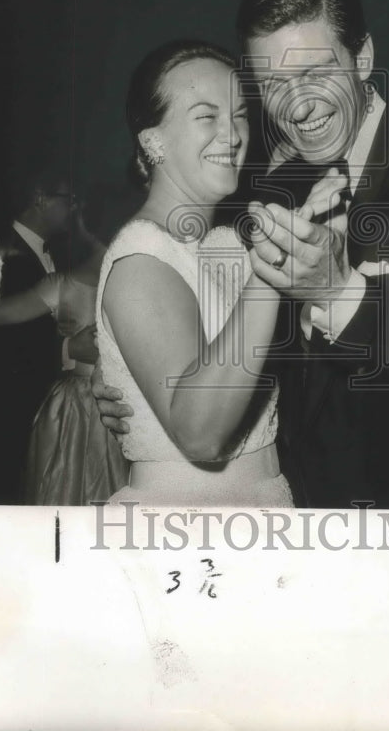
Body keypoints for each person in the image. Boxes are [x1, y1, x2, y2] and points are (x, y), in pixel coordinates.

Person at [95, 0, 389, 509]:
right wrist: (121, 380)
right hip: (286, 515)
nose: (298, 105)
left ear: (362, 58)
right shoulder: (266, 190)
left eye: (315, 72)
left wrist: (340, 295)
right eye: (271, 83)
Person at [94, 38, 304, 507]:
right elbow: (201, 435)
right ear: (153, 141)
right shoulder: (141, 256)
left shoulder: (225, 243)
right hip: (188, 523)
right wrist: (269, 274)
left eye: (240, 114)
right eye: (206, 116)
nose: (232, 134)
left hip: (263, 502)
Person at [0, 198, 130, 505]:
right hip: (131, 404)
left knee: (63, 494)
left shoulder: (62, 283)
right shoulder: (145, 283)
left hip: (77, 407)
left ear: (86, 227)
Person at [0, 166, 76, 502]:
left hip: (38, 399)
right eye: (68, 199)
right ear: (40, 199)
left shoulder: (56, 252)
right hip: (7, 403)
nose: (73, 207)